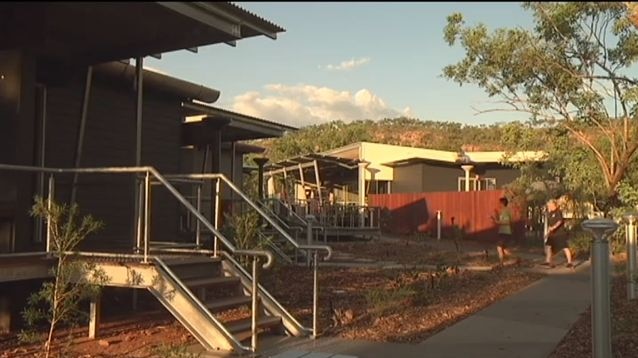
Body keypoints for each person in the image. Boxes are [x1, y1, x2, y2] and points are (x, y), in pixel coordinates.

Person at [542, 198, 573, 268]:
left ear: (553, 204)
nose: (548, 206)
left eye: (549, 205)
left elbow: (560, 221)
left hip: (560, 233)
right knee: (548, 246)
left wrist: (554, 227)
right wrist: (547, 234)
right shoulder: (550, 213)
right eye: (548, 205)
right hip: (552, 234)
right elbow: (550, 225)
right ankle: (548, 262)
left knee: (565, 247)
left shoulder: (558, 212)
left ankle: (569, 262)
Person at [491, 197, 515, 265]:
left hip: (505, 232)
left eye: (500, 203)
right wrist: (494, 220)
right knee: (504, 249)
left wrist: (496, 222)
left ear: (503, 203)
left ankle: (501, 263)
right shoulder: (503, 211)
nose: (498, 204)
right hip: (502, 231)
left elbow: (506, 222)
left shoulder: (506, 211)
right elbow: (501, 221)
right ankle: (516, 258)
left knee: (499, 247)